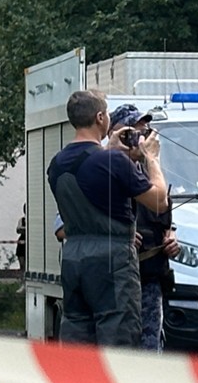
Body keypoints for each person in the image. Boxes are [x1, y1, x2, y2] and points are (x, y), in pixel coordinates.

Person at [47, 90, 169, 348]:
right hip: (113, 260)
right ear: (100, 117)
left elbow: (89, 170)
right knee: (117, 337)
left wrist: (108, 150)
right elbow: (159, 202)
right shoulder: (112, 160)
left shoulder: (57, 163)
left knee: (77, 338)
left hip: (73, 258)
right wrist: (152, 159)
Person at [109, 104, 177, 351]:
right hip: (116, 277)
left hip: (149, 276)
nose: (141, 139)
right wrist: (120, 234)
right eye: (133, 133)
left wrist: (171, 237)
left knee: (150, 346)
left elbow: (163, 210)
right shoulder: (104, 170)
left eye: (144, 133)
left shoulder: (151, 173)